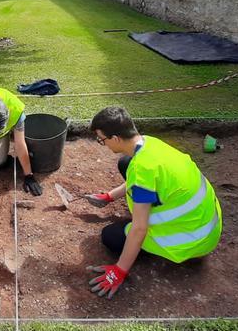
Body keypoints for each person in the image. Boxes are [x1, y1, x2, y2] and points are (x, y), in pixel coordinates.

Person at [85, 106, 222, 299]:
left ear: (115, 138)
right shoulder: (149, 143)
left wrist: (119, 272)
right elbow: (142, 178)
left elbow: (139, 229)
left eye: (102, 140)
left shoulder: (143, 173)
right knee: (125, 163)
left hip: (191, 240)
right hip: (206, 222)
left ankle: (161, 249)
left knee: (111, 237)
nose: (103, 144)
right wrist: (109, 196)